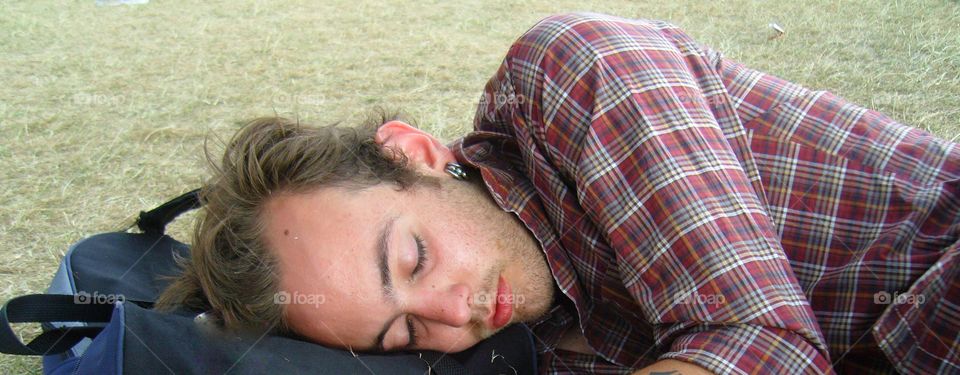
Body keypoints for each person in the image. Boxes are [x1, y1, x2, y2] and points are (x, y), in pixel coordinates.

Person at [157, 12, 960, 375]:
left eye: (414, 256)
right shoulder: (526, 344)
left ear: (417, 152)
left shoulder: (569, 73)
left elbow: (768, 345)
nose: (454, 314)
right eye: (403, 332)